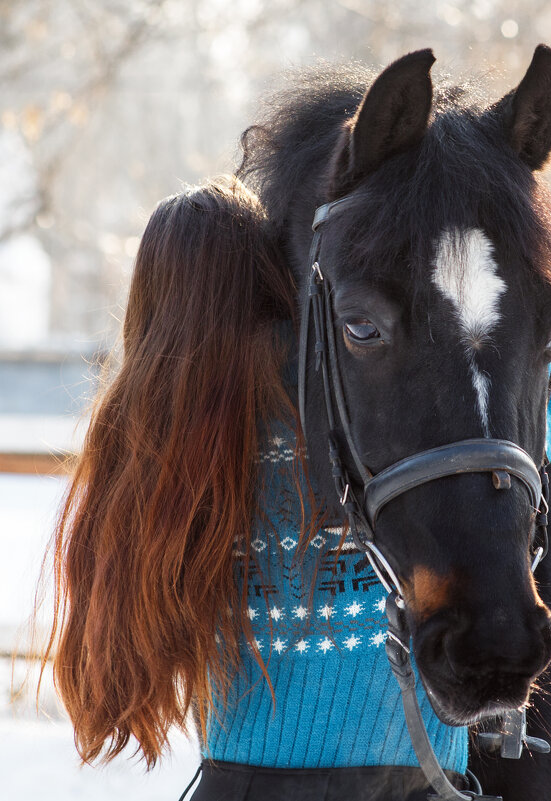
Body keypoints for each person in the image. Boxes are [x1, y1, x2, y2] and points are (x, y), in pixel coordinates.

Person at [44, 175, 469, 801]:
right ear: (271, 270)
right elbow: (539, 432)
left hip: (237, 779)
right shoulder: (346, 393)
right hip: (405, 772)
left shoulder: (142, 439)